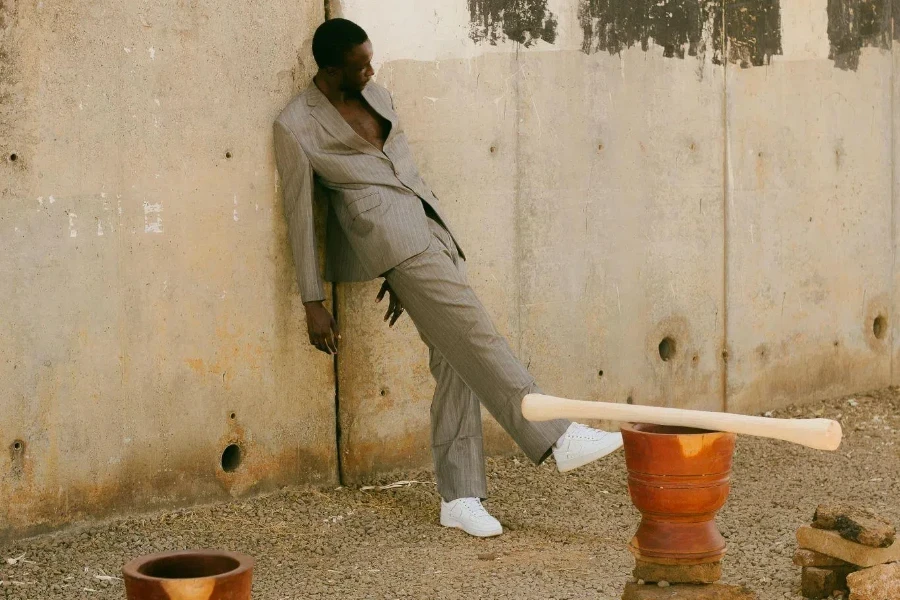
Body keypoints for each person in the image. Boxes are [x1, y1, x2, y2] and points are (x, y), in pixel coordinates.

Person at [273, 18, 623, 538]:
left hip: (431, 229)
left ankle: (459, 498)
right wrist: (313, 299)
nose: (371, 70)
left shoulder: (379, 95)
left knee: (457, 355)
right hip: (397, 243)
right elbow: (306, 213)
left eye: (371, 59)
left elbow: (399, 172)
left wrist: (394, 259)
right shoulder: (295, 125)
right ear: (328, 70)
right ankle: (555, 434)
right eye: (360, 65)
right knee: (478, 336)